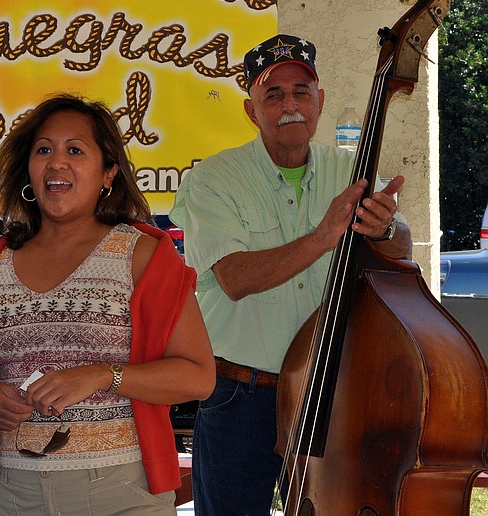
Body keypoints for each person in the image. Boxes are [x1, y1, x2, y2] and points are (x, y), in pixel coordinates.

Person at [169, 34, 413, 515]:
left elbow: (401, 247)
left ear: (319, 100)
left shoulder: (353, 170)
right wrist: (324, 236)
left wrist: (386, 230)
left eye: (301, 91)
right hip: (241, 395)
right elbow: (236, 278)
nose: (290, 106)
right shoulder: (212, 179)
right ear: (250, 109)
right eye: (273, 95)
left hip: (334, 392)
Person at [0, 93, 216, 514]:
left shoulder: (142, 255)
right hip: (15, 494)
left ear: (108, 173)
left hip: (119, 491)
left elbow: (198, 377)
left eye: (75, 150)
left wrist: (102, 375)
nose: (57, 162)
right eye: (44, 150)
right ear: (28, 171)